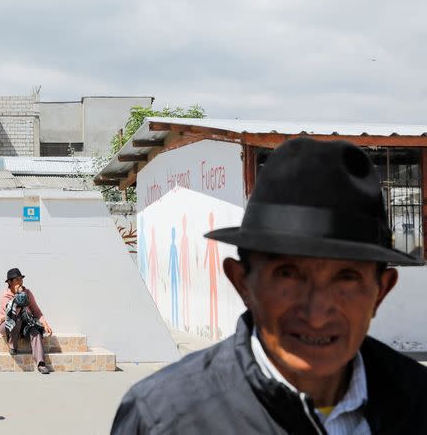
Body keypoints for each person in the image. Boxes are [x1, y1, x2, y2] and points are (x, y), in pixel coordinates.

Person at [111, 138, 427, 434]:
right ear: (242, 282)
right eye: (288, 274)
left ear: (380, 291)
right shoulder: (163, 419)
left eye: (346, 278)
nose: (316, 314)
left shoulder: (418, 402)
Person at [0, 268, 53, 374]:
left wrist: (45, 324)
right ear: (10, 282)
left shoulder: (27, 292)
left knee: (35, 330)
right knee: (16, 318)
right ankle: (13, 346)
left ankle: (41, 364)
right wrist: (19, 295)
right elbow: (10, 314)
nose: (20, 282)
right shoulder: (5, 295)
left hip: (25, 323)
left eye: (21, 279)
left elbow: (36, 311)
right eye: (17, 280)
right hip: (8, 325)